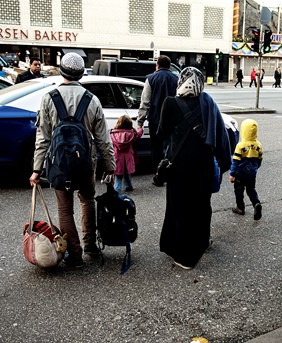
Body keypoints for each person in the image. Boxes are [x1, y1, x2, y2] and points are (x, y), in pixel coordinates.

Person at [29, 52, 116, 268]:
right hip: (86, 164)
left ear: (62, 71)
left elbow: (43, 138)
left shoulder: (49, 98)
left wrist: (36, 169)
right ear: (81, 74)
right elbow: (103, 139)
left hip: (59, 165)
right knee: (87, 201)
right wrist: (110, 166)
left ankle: (74, 255)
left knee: (65, 210)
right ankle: (91, 246)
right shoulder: (92, 99)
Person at [158, 67, 232, 270]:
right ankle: (201, 243)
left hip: (178, 168)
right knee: (201, 208)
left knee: (178, 208)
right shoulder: (208, 102)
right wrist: (224, 164)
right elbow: (221, 137)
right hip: (202, 167)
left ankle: (182, 253)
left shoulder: (170, 103)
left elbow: (162, 132)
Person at [137, 55, 179, 186]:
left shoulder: (151, 78)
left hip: (155, 120)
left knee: (156, 148)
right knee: (171, 147)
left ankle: (158, 175)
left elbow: (145, 102)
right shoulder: (176, 79)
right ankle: (170, 173)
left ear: (157, 65)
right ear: (169, 65)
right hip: (173, 120)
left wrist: (140, 121)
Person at [229, 119, 263, 220]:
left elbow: (235, 161)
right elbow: (260, 159)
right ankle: (256, 203)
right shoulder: (258, 145)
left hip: (240, 173)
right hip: (252, 173)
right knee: (251, 190)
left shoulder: (240, 145)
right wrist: (255, 168)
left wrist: (232, 174)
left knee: (239, 191)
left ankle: (240, 208)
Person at [110, 114, 144, 193]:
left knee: (118, 176)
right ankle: (127, 187)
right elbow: (138, 135)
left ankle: (117, 190)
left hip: (117, 157)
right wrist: (140, 128)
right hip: (128, 157)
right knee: (127, 173)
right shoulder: (131, 134)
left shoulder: (113, 134)